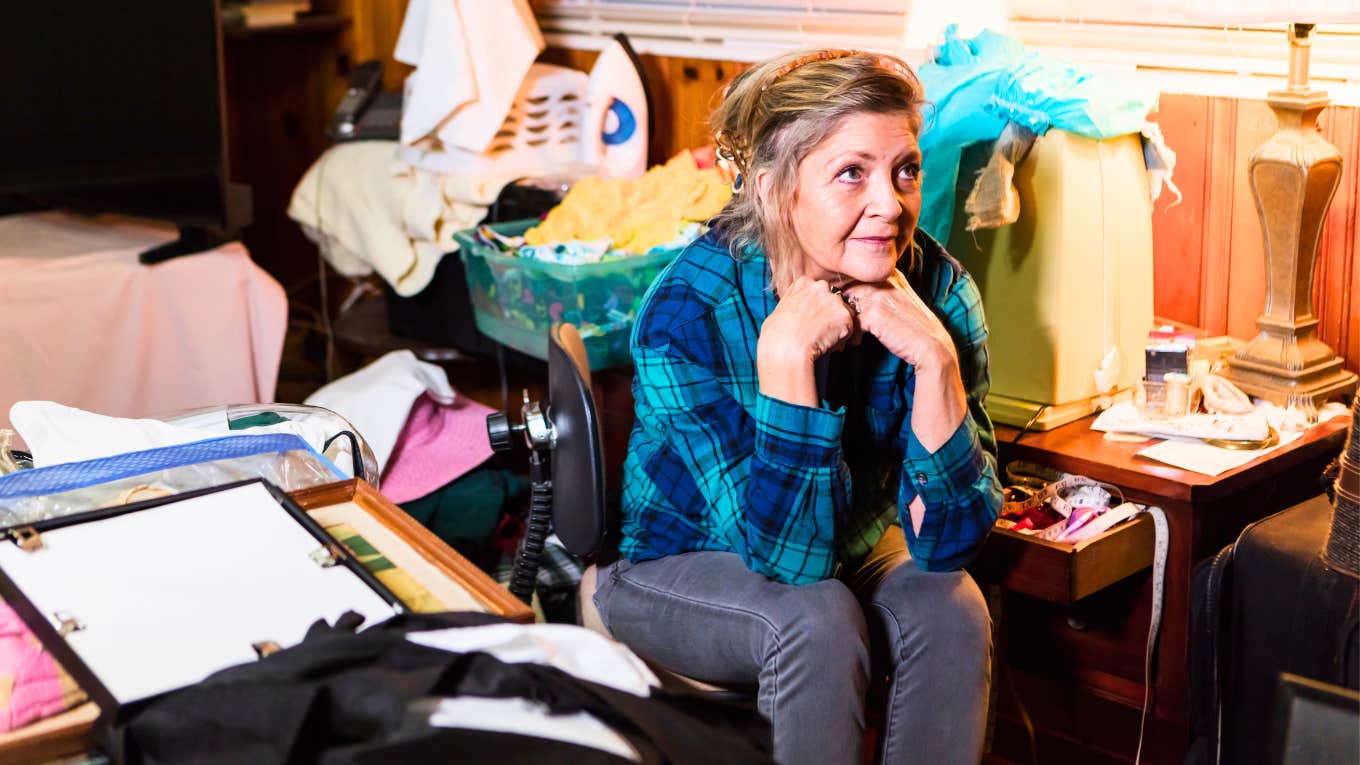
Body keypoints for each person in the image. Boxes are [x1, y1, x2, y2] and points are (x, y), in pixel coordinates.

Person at [592, 49, 1003, 765]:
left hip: (847, 545)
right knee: (815, 618)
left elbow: (951, 542)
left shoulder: (937, 293)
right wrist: (786, 366)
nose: (892, 204)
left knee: (953, 604)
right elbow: (789, 559)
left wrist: (937, 362)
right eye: (852, 173)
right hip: (673, 565)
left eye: (905, 170)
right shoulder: (689, 312)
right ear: (775, 190)